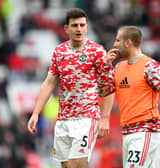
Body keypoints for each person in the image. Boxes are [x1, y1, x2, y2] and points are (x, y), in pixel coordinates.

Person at [27, 8, 115, 168]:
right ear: (66, 29)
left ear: (87, 27)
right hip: (64, 119)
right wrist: (36, 112)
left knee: (76, 164)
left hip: (86, 117)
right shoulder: (59, 52)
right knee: (66, 166)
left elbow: (108, 84)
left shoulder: (96, 51)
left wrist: (105, 117)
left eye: (82, 25)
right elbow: (49, 82)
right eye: (75, 25)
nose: (79, 29)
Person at [102, 26, 160, 168]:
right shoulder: (119, 67)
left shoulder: (149, 66)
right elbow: (103, 91)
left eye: (117, 40)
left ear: (128, 43)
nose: (114, 45)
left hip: (144, 130)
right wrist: (105, 68)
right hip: (128, 132)